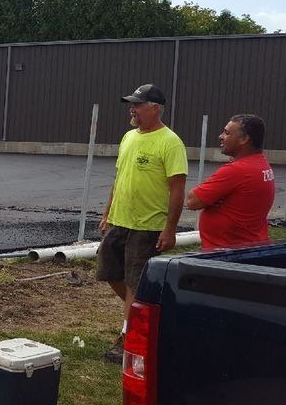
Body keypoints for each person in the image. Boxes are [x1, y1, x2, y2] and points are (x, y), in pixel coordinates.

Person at [97, 84, 187, 363]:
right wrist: (107, 213)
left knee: (136, 281)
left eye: (137, 105)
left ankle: (128, 338)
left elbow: (177, 189)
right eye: (131, 105)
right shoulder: (128, 138)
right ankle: (146, 315)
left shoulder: (170, 142)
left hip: (147, 226)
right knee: (109, 271)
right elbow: (119, 178)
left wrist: (170, 228)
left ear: (155, 108)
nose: (132, 109)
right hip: (119, 220)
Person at [186, 114, 275, 250]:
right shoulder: (262, 165)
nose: (221, 136)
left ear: (244, 139)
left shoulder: (237, 170)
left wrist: (213, 199)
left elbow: (192, 201)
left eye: (227, 133)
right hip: (250, 247)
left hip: (227, 254)